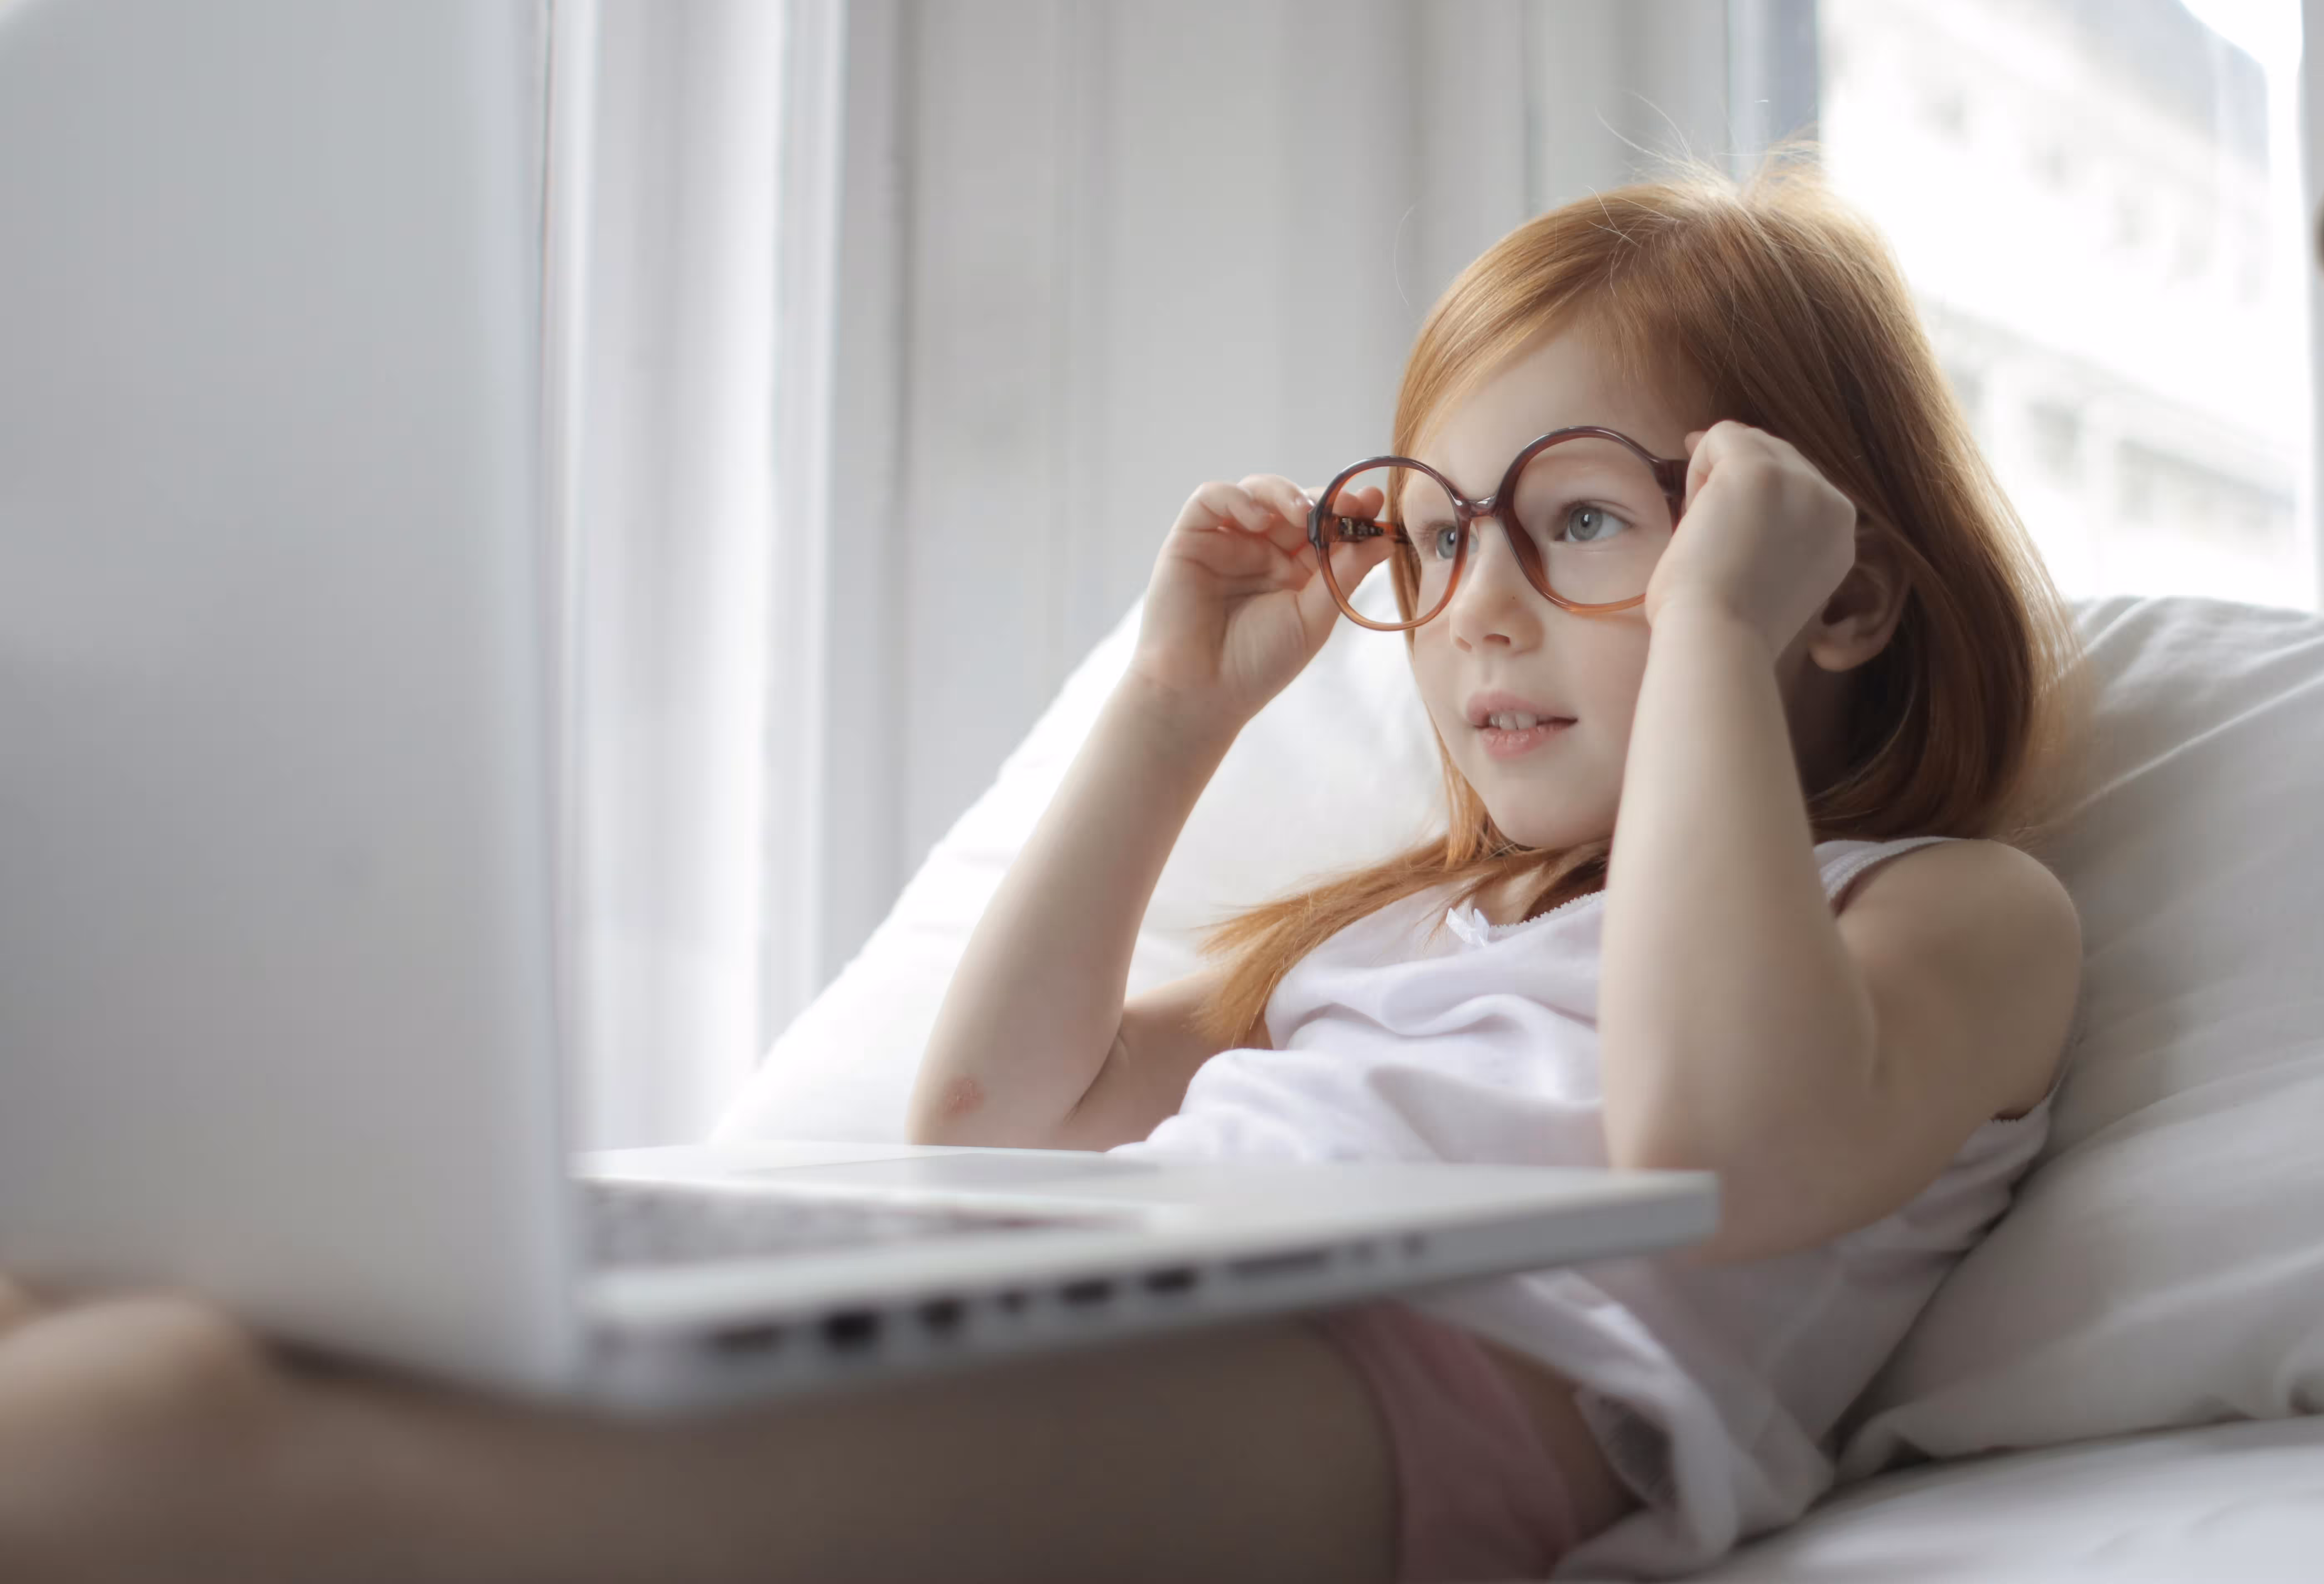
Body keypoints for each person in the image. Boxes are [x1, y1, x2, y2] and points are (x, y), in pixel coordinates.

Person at [0, 162, 2082, 1583]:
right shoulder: (1401, 926)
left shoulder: (1941, 911)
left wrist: (1710, 635)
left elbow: (1706, 1139)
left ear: (1836, 589)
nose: (1474, 610)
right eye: (1436, 531)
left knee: (176, 1440)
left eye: (1589, 520)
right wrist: (1172, 715)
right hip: (1127, 1301)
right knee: (108, 1298)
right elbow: (994, 1109)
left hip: (1416, 1412)